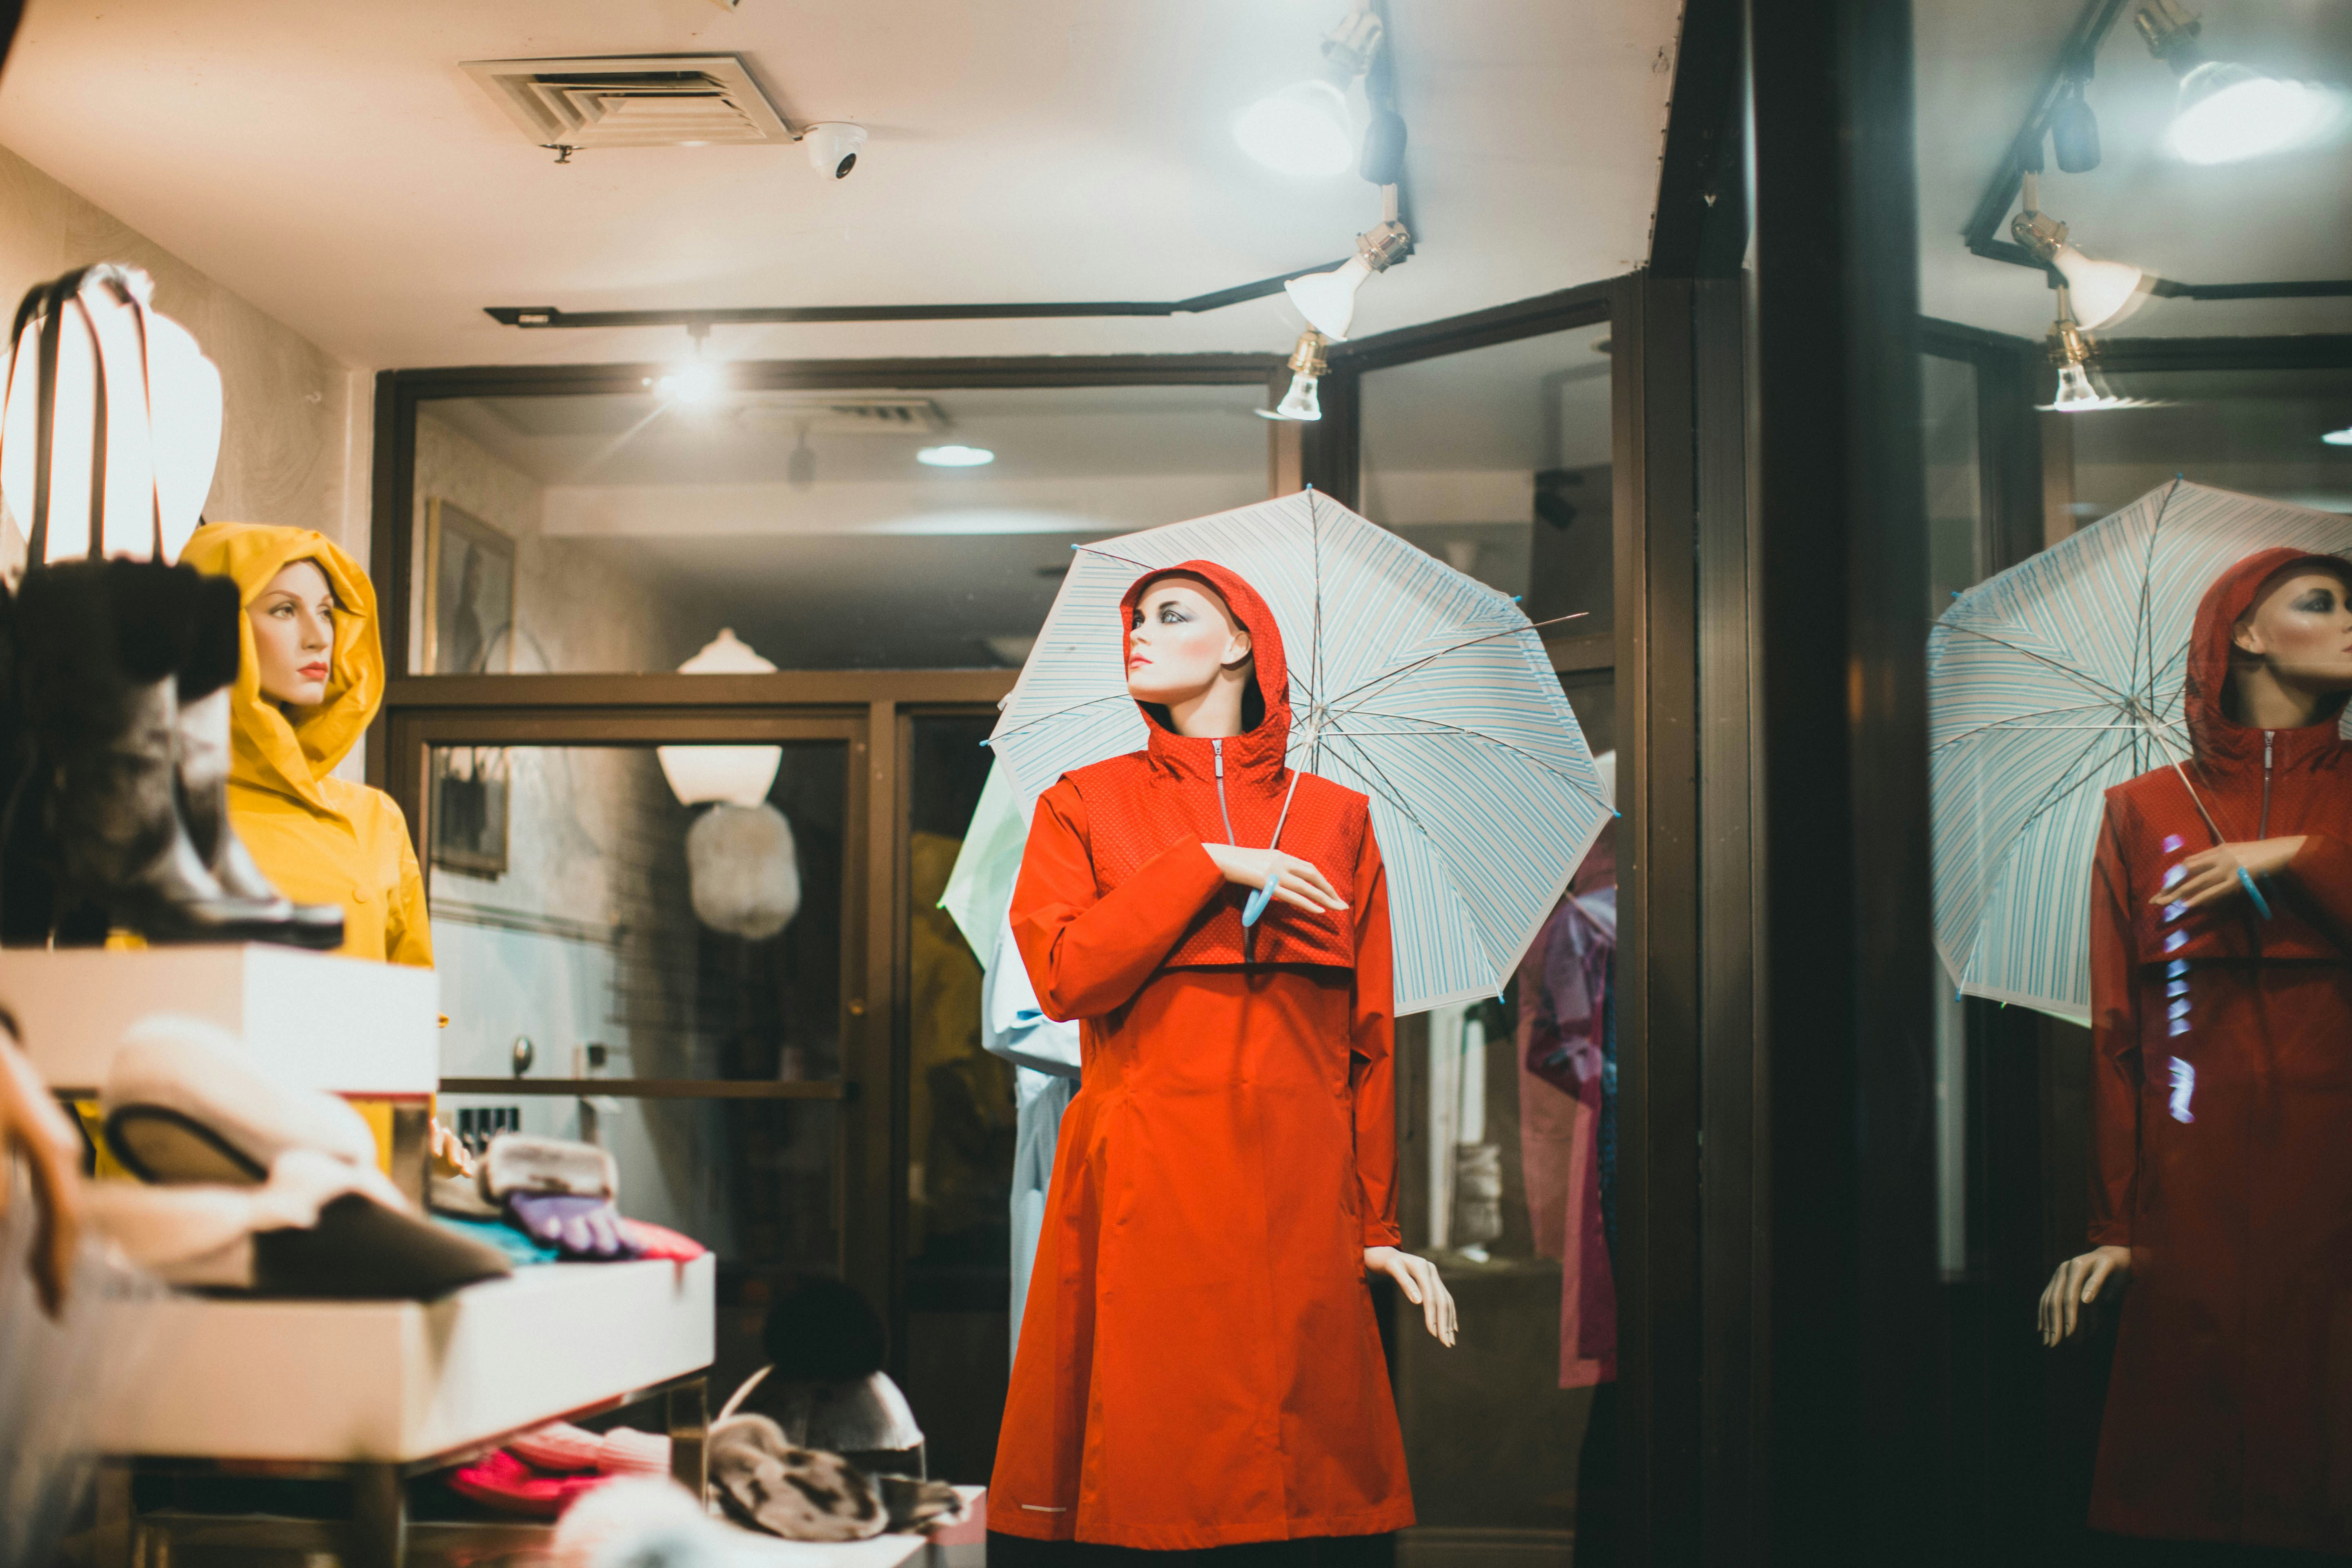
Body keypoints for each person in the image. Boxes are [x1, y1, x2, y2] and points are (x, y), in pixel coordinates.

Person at [988, 561, 1453, 1557]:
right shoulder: (1081, 803)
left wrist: (1373, 1220)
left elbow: (1365, 1039)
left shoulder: (1335, 818)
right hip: (1143, 1179)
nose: (1137, 634)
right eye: (1133, 618)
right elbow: (1067, 974)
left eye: (1170, 614)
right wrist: (1202, 866)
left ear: (1242, 640)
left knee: (1299, 1491)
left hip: (1296, 1192)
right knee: (1152, 1469)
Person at [2040, 547, 2352, 1553]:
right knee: (2192, 1485)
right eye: (2320, 600)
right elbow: (2120, 1033)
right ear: (2243, 633)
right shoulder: (2143, 810)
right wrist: (2116, 1221)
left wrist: (2295, 857)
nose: (2348, 616)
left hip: (2336, 1169)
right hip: (2193, 1180)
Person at [177, 523, 430, 967]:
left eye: (327, 612)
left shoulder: (376, 819)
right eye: (284, 611)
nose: (319, 637)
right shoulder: (165, 818)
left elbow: (411, 1008)